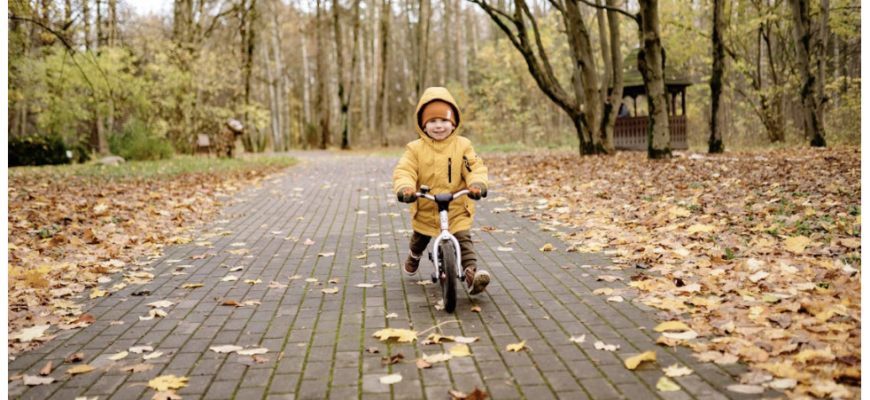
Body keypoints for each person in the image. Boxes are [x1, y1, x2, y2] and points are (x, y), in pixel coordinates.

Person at [393, 87, 491, 295]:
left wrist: (477, 184)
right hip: (426, 205)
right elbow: (405, 170)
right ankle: (414, 255)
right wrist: (405, 187)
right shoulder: (415, 149)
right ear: (423, 125)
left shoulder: (463, 145)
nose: (439, 126)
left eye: (444, 120)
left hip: (456, 206)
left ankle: (472, 275)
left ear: (453, 122)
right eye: (432, 122)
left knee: (463, 240)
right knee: (420, 238)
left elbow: (474, 167)